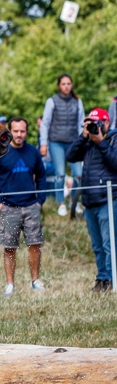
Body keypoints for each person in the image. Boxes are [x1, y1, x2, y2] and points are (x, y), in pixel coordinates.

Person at [0, 117, 47, 296]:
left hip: (31, 206)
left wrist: (40, 200)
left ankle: (35, 280)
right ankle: (9, 284)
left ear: (26, 132)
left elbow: (41, 177)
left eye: (22, 131)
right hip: (8, 208)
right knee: (9, 247)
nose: (19, 134)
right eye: (16, 131)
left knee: (35, 244)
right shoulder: (1, 153)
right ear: (9, 131)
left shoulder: (33, 152)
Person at [66, 108, 117, 292]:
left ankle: (112, 279)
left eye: (97, 123)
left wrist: (101, 142)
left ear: (106, 123)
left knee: (109, 244)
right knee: (97, 246)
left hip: (108, 200)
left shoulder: (113, 139)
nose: (94, 127)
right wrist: (83, 136)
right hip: (89, 201)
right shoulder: (87, 142)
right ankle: (101, 278)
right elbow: (70, 156)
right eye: (90, 124)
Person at [39, 74, 84, 217]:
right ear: (59, 86)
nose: (66, 86)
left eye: (69, 83)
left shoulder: (78, 102)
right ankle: (61, 204)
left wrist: (82, 142)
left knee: (78, 174)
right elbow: (45, 123)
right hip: (56, 142)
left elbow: (81, 124)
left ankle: (73, 202)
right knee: (60, 174)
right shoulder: (51, 101)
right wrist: (44, 143)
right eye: (63, 84)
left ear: (72, 85)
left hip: (73, 142)